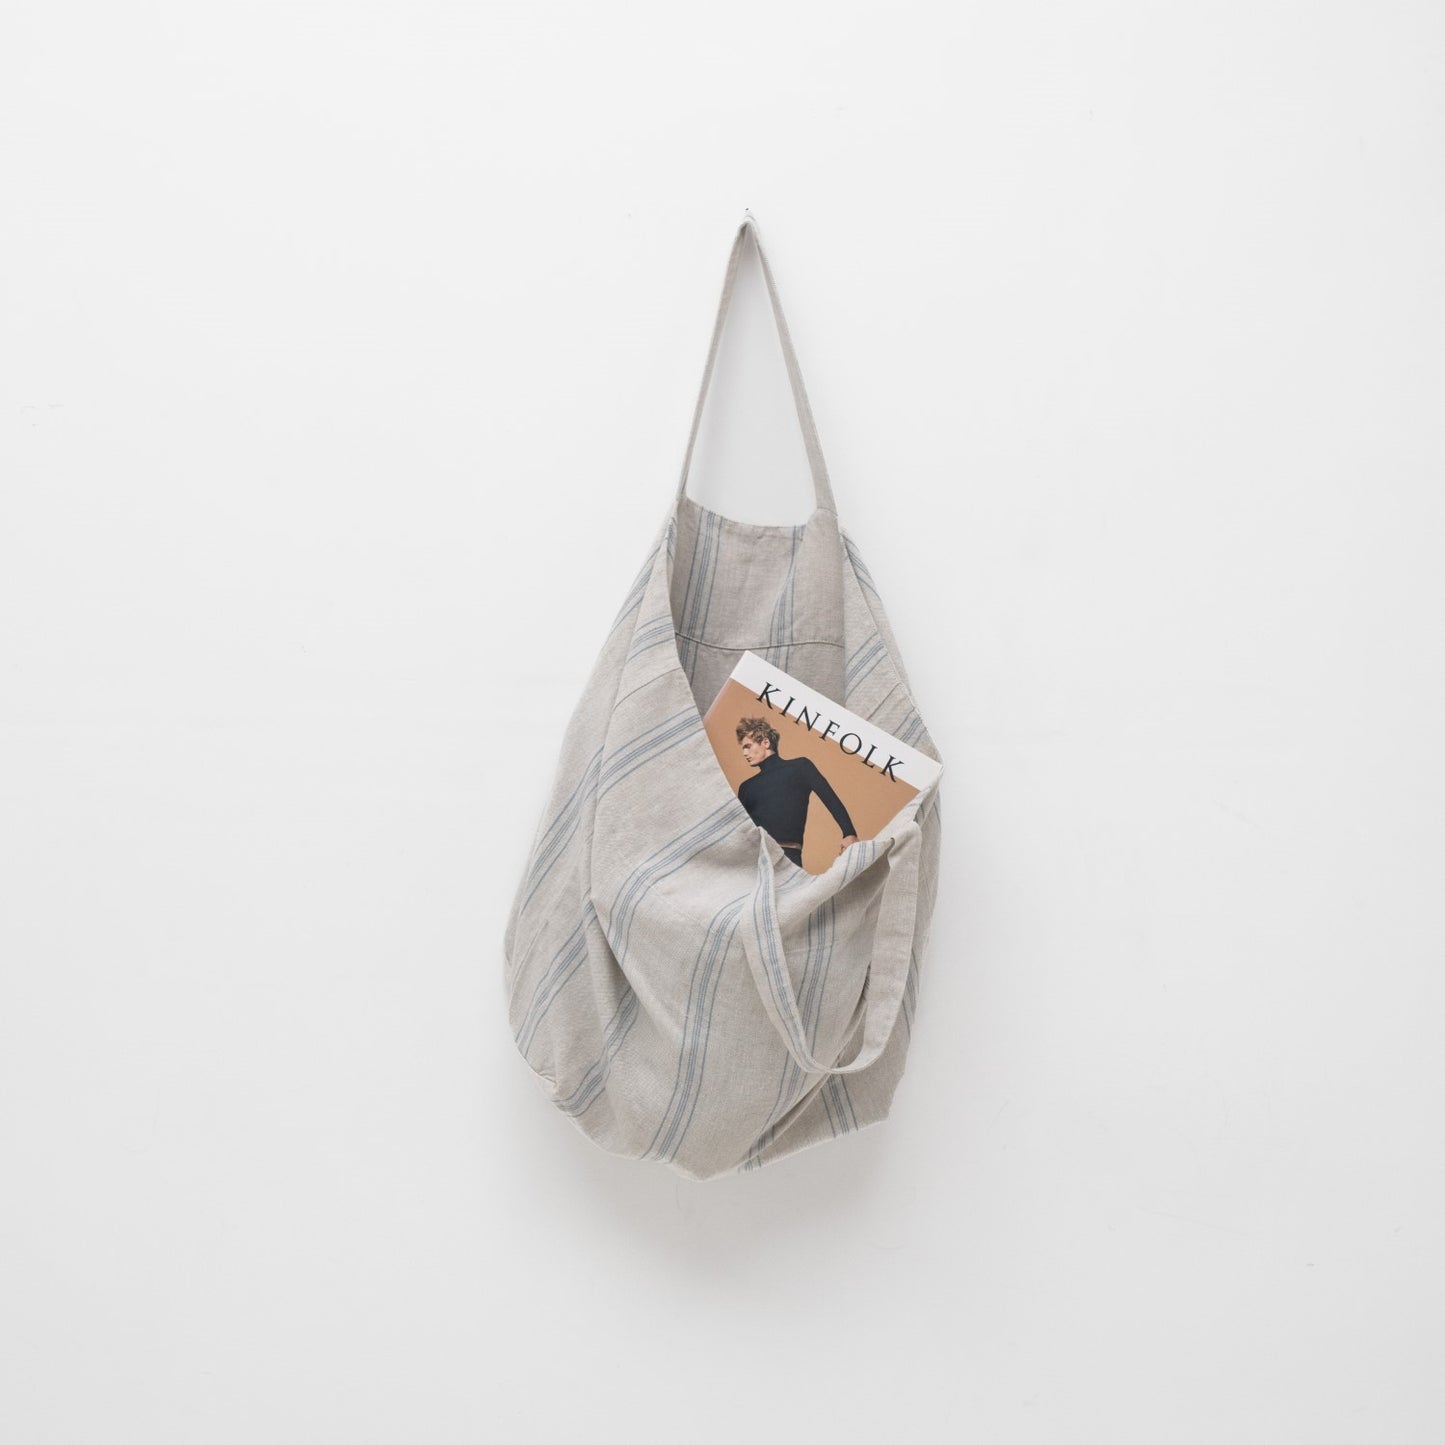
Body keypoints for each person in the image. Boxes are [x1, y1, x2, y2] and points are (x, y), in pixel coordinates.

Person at [735, 716, 858, 868]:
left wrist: (849, 833)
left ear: (766, 743)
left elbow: (831, 800)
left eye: (748, 746)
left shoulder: (800, 767)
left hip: (789, 859)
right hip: (753, 862)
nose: (744, 753)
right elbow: (738, 831)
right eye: (743, 748)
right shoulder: (746, 788)